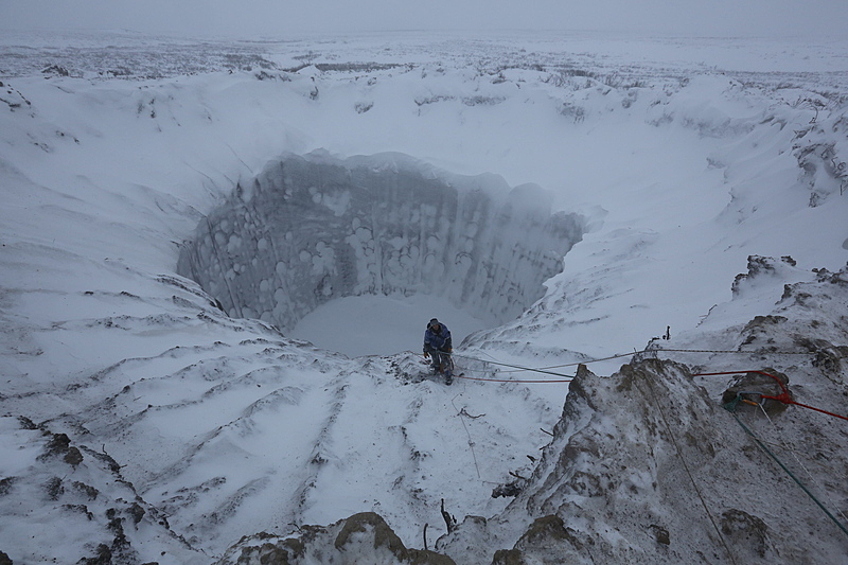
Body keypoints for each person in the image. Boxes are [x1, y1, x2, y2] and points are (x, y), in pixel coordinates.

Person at [423, 318, 454, 384]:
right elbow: (426, 342)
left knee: (445, 360)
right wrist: (425, 351)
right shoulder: (428, 333)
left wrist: (449, 347)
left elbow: (448, 338)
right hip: (433, 348)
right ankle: (437, 368)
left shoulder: (444, 329)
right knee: (435, 359)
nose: (435, 327)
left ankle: (448, 376)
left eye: (436, 325)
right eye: (434, 326)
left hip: (444, 346)